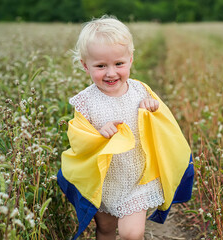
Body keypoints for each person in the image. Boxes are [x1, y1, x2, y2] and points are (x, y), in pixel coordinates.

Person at [57, 16, 194, 240]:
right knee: (106, 229)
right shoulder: (85, 101)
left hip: (137, 177)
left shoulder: (140, 91)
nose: (111, 73)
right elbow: (79, 138)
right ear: (85, 65)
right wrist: (98, 132)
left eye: (118, 64)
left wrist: (152, 109)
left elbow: (162, 123)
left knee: (132, 233)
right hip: (106, 182)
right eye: (101, 66)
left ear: (130, 60)